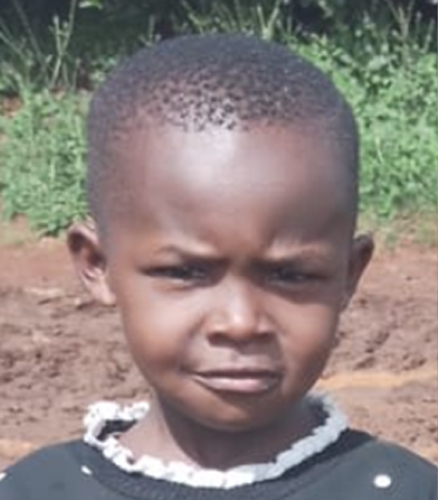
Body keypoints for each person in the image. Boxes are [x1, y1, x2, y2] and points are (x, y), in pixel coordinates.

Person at [0, 34, 435, 500]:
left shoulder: (406, 491)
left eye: (291, 275)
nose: (241, 323)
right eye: (186, 272)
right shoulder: (35, 490)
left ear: (349, 274)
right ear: (97, 264)